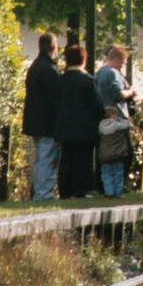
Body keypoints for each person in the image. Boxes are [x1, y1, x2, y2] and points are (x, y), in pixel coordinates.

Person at [54, 43, 107, 199]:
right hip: (84, 128)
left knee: (66, 160)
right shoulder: (88, 80)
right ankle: (79, 190)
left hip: (64, 127)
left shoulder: (61, 80)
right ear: (83, 60)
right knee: (82, 161)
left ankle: (64, 190)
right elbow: (97, 106)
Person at [21, 33, 61, 200]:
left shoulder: (35, 66)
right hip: (47, 122)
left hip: (35, 120)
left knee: (40, 158)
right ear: (53, 47)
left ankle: (41, 192)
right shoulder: (50, 70)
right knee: (46, 158)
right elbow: (56, 98)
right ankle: (43, 193)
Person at [95, 44, 135, 197]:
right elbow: (118, 94)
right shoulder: (113, 73)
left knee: (104, 157)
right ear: (117, 59)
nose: (123, 67)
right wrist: (130, 92)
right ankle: (118, 188)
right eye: (123, 62)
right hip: (116, 119)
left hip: (103, 120)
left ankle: (104, 187)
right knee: (125, 155)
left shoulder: (99, 73)